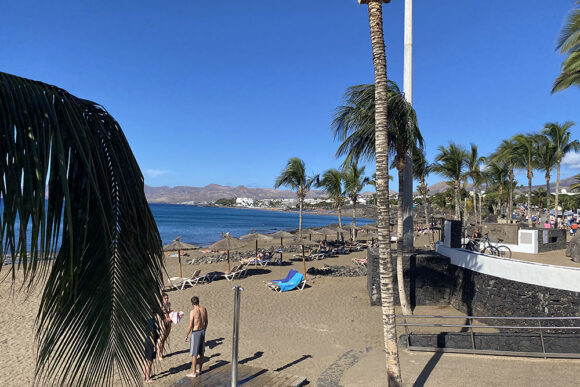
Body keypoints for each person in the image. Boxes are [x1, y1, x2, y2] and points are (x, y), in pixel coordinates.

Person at [185, 296, 208, 378]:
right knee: (201, 352)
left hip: (196, 332)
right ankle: (200, 370)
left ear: (192, 303)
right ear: (198, 301)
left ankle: (193, 372)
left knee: (194, 354)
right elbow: (206, 321)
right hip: (202, 331)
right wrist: (204, 330)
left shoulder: (193, 312)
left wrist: (186, 335)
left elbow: (191, 324)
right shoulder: (204, 309)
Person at [144, 313, 160, 383]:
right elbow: (151, 334)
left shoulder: (147, 320)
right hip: (150, 343)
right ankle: (148, 378)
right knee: (150, 361)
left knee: (146, 360)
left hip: (147, 341)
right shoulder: (152, 322)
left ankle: (146, 376)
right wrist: (154, 346)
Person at [157, 293, 172, 360]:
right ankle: (158, 354)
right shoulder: (161, 306)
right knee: (161, 339)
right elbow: (160, 315)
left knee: (164, 339)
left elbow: (168, 313)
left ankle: (161, 353)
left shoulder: (168, 304)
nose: (166, 299)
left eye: (167, 298)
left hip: (168, 322)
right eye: (165, 298)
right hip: (162, 323)